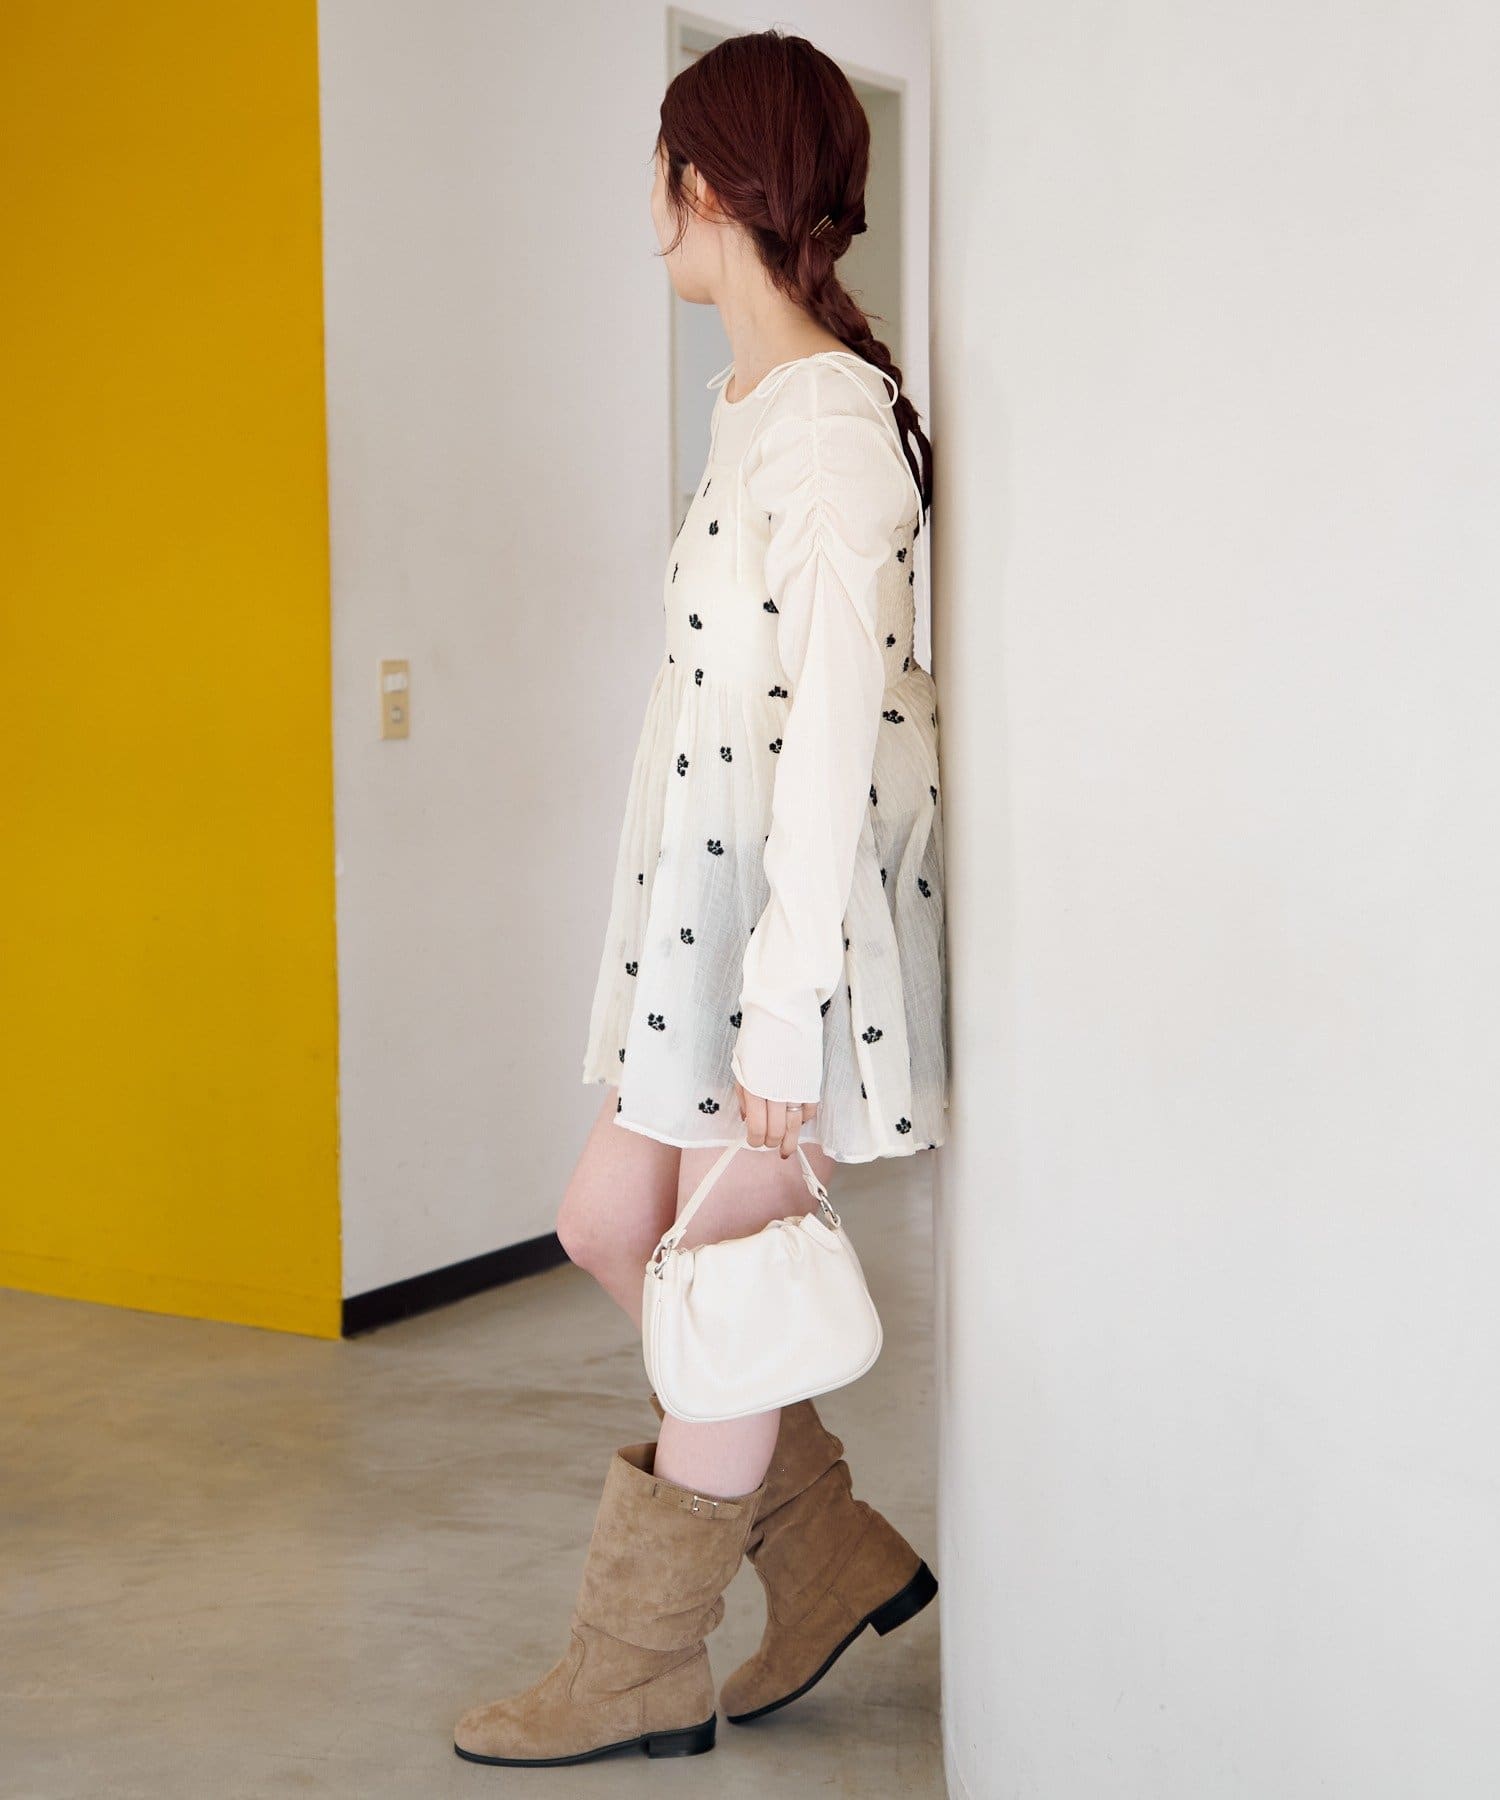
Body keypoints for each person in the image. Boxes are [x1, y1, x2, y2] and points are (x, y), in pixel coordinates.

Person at [454, 28, 948, 1768]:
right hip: (702, 912)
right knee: (611, 1226)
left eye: (655, 175)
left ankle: (639, 1665)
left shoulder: (831, 426)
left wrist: (783, 1005)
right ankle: (823, 1548)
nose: (645, 210)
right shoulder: (749, 410)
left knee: (721, 1285)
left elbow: (836, 737)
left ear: (704, 183)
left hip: (782, 935)